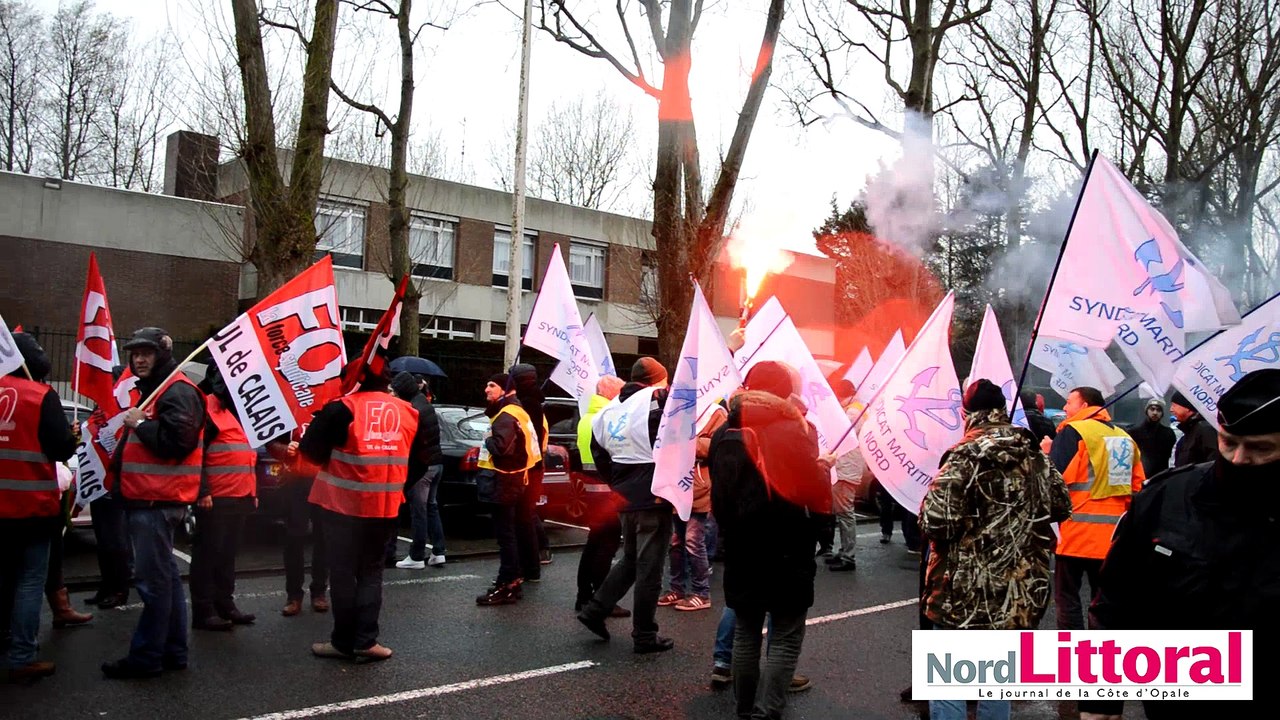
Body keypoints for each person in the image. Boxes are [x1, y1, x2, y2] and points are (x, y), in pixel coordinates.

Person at [1079, 368, 1280, 720]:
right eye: (1228, 442)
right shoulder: (1167, 496)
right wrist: (1101, 699)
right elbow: (1115, 600)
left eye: (1260, 449)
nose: (1237, 459)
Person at [920, 380, 1072, 720]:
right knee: (996, 683)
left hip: (963, 591)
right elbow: (1061, 504)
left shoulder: (965, 454)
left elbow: (936, 521)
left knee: (949, 682)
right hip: (1018, 592)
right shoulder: (1033, 453)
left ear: (966, 412)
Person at [709, 361, 830, 719]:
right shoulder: (795, 429)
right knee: (786, 633)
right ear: (781, 392)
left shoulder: (724, 432)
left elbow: (721, 494)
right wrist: (823, 526)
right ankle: (769, 710)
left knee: (747, 631)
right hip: (788, 545)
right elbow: (810, 489)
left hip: (742, 545)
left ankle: (744, 709)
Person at [103, 327, 205, 679]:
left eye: (146, 353)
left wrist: (142, 423)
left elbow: (180, 443)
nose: (139, 359)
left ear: (162, 353)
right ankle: (173, 652)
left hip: (156, 502)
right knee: (167, 580)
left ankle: (146, 657)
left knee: (154, 583)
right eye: (134, 353)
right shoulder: (158, 390)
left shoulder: (175, 390)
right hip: (152, 499)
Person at [302, 363, 422, 662]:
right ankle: (366, 641)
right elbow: (422, 460)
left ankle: (343, 642)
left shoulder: (340, 409)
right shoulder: (408, 411)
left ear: (353, 378)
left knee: (343, 574)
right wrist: (396, 487)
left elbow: (310, 452)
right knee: (371, 574)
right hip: (384, 509)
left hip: (341, 508)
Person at [576, 357, 675, 654]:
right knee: (650, 568)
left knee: (631, 559)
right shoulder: (657, 400)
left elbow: (599, 452)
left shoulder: (608, 408)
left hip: (625, 496)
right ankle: (644, 635)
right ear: (658, 380)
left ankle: (595, 610)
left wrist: (618, 483)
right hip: (652, 496)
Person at [0, 332, 77, 683]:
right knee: (29, 583)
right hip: (31, 508)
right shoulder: (41, 395)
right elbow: (62, 449)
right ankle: (21, 656)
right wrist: (71, 435)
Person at [1041, 386, 1144, 631]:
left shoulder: (1072, 432)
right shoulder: (1124, 437)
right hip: (1112, 538)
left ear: (1084, 406)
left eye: (1069, 402)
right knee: (1102, 602)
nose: (1065, 408)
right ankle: (1099, 655)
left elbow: (1053, 479)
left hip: (1075, 532)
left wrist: (1047, 453)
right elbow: (1138, 487)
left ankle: (1071, 654)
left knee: (1067, 599)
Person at [189, 366, 257, 631]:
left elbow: (247, 455)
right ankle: (204, 610)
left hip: (238, 495)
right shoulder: (207, 408)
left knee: (227, 554)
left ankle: (224, 604)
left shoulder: (238, 411)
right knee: (208, 554)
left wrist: (253, 493)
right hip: (215, 497)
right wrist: (203, 490)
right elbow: (197, 454)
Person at [474, 373, 541, 606]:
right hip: (516, 481)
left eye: (492, 385)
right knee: (510, 534)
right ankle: (512, 581)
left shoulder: (506, 415)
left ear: (506, 390)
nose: (486, 389)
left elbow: (502, 450)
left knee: (506, 537)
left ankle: (507, 584)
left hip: (503, 482)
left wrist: (489, 438)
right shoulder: (518, 411)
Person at [658, 398, 723, 612]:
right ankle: (676, 588)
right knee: (676, 541)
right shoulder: (678, 411)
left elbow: (717, 446)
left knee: (693, 541)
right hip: (678, 485)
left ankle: (701, 592)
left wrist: (688, 441)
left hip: (700, 488)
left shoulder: (715, 413)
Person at [574, 374, 629, 616]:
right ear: (611, 394)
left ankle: (584, 595)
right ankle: (602, 599)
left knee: (593, 544)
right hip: (607, 490)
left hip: (591, 490)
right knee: (606, 547)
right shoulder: (607, 418)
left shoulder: (587, 417)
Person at [84, 365, 134, 610]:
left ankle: (120, 589)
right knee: (102, 539)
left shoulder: (125, 410)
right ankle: (105, 586)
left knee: (116, 539)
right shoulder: (100, 408)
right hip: (97, 481)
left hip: (115, 483)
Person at [269, 424, 329, 617]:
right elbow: (269, 439)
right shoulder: (289, 402)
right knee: (294, 537)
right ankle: (294, 595)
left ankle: (319, 591)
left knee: (324, 537)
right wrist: (284, 449)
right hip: (295, 481)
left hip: (324, 479)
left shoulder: (332, 401)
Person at [390, 372, 446, 570]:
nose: (393, 394)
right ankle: (438, 551)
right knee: (431, 507)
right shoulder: (424, 403)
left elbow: (411, 440)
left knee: (418, 510)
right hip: (436, 463)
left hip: (422, 466)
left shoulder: (412, 409)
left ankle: (416, 555)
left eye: (394, 391)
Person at [510, 363, 552, 573]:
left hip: (528, 467)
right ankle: (533, 561)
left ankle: (530, 563)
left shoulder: (526, 405)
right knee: (527, 514)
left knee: (524, 516)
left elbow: (526, 437)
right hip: (535, 465)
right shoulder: (535, 403)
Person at [823, 379, 864, 572]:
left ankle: (849, 556)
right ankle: (844, 551)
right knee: (842, 512)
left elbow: (840, 435)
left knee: (845, 512)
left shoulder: (853, 412)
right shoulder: (855, 408)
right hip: (847, 467)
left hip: (846, 468)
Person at [1128, 397, 1175, 478]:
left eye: (1158, 410)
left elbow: (1170, 457)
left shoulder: (1168, 433)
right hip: (1140, 476)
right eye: (1152, 409)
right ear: (1147, 411)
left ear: (1162, 413)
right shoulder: (1134, 432)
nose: (1155, 413)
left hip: (1160, 477)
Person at [1170, 391, 1218, 467]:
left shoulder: (1205, 430)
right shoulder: (1186, 435)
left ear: (1187, 408)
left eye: (1174, 405)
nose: (1171, 410)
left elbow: (1213, 463)